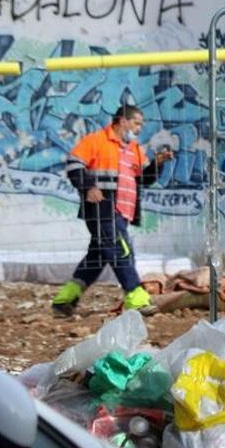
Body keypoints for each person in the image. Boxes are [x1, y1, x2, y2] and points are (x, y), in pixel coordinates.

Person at [51, 105, 173, 316]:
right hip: (102, 209)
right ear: (122, 121)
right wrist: (88, 187)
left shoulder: (133, 148)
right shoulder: (96, 140)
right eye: (136, 123)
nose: (139, 128)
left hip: (123, 213)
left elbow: (145, 178)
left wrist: (157, 164)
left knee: (97, 258)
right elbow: (73, 165)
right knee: (121, 252)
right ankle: (137, 297)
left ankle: (65, 300)